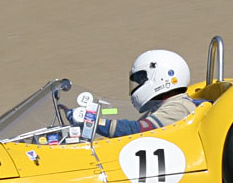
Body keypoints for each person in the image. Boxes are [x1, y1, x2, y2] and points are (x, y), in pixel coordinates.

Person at [67, 49, 199, 138]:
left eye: (142, 80)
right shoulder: (161, 107)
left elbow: (138, 130)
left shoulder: (179, 107)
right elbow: (121, 118)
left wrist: (93, 121)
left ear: (163, 76)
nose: (140, 84)